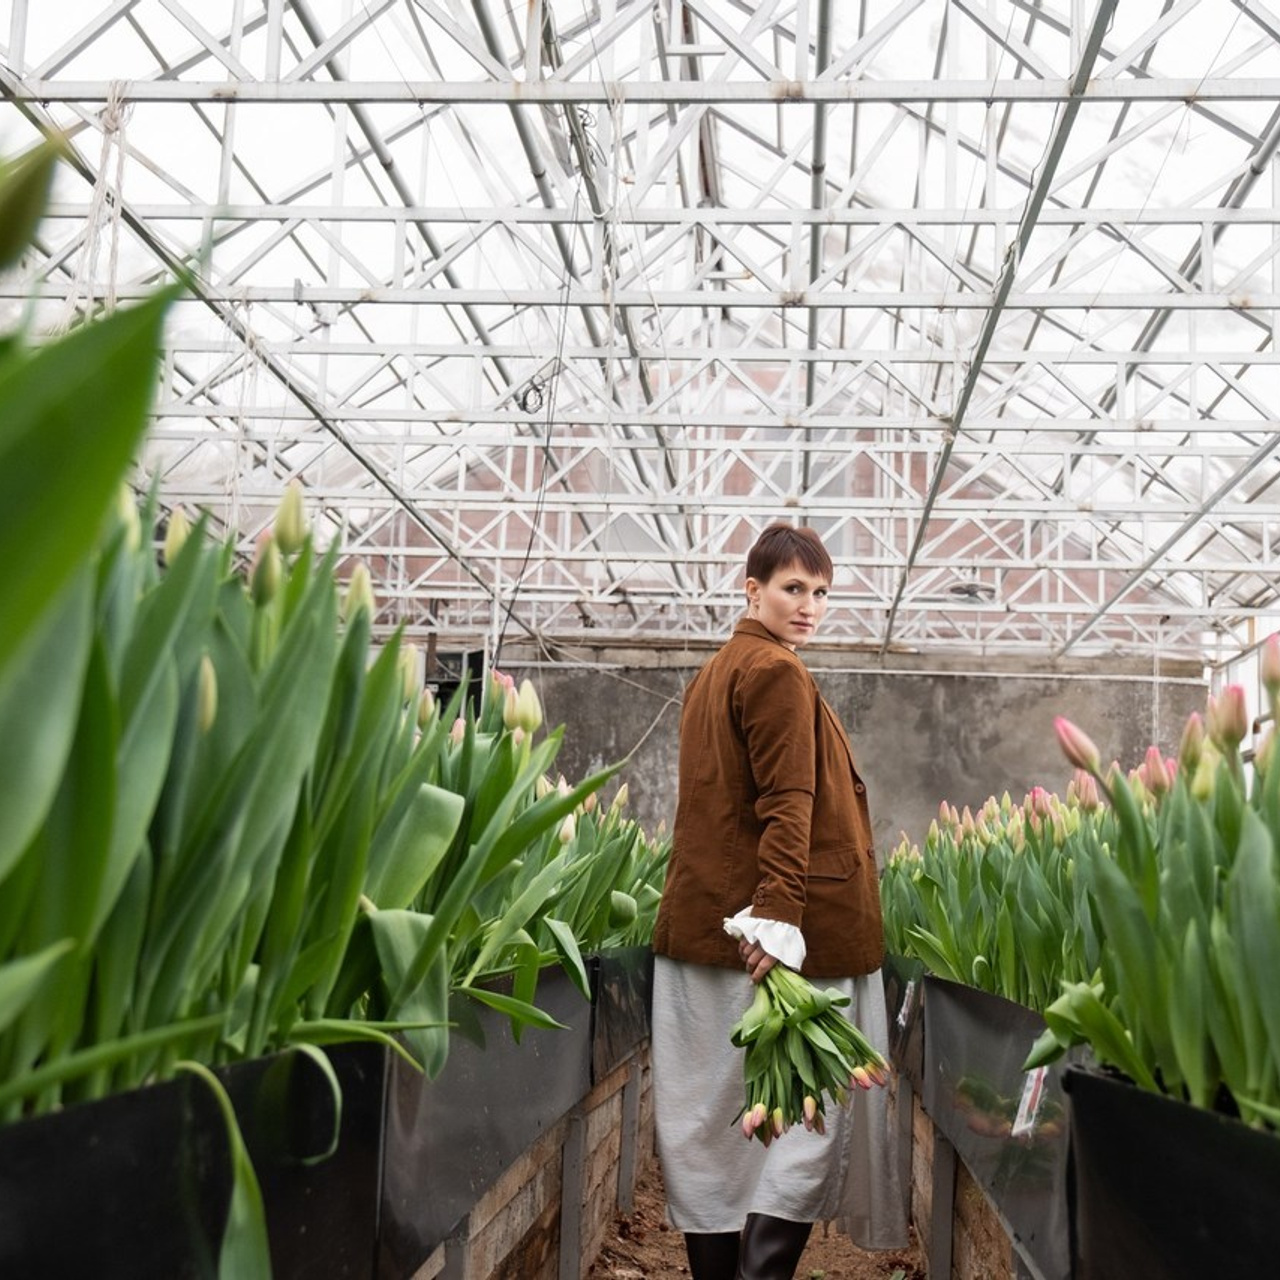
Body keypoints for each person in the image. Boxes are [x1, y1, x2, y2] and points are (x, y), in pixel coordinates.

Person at [651, 523, 905, 1280]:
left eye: (821, 592)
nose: (810, 606)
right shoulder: (776, 673)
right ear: (752, 589)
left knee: (715, 1136)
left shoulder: (715, 673)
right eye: (794, 588)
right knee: (801, 1129)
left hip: (703, 927)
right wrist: (780, 916)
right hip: (780, 941)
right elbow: (788, 802)